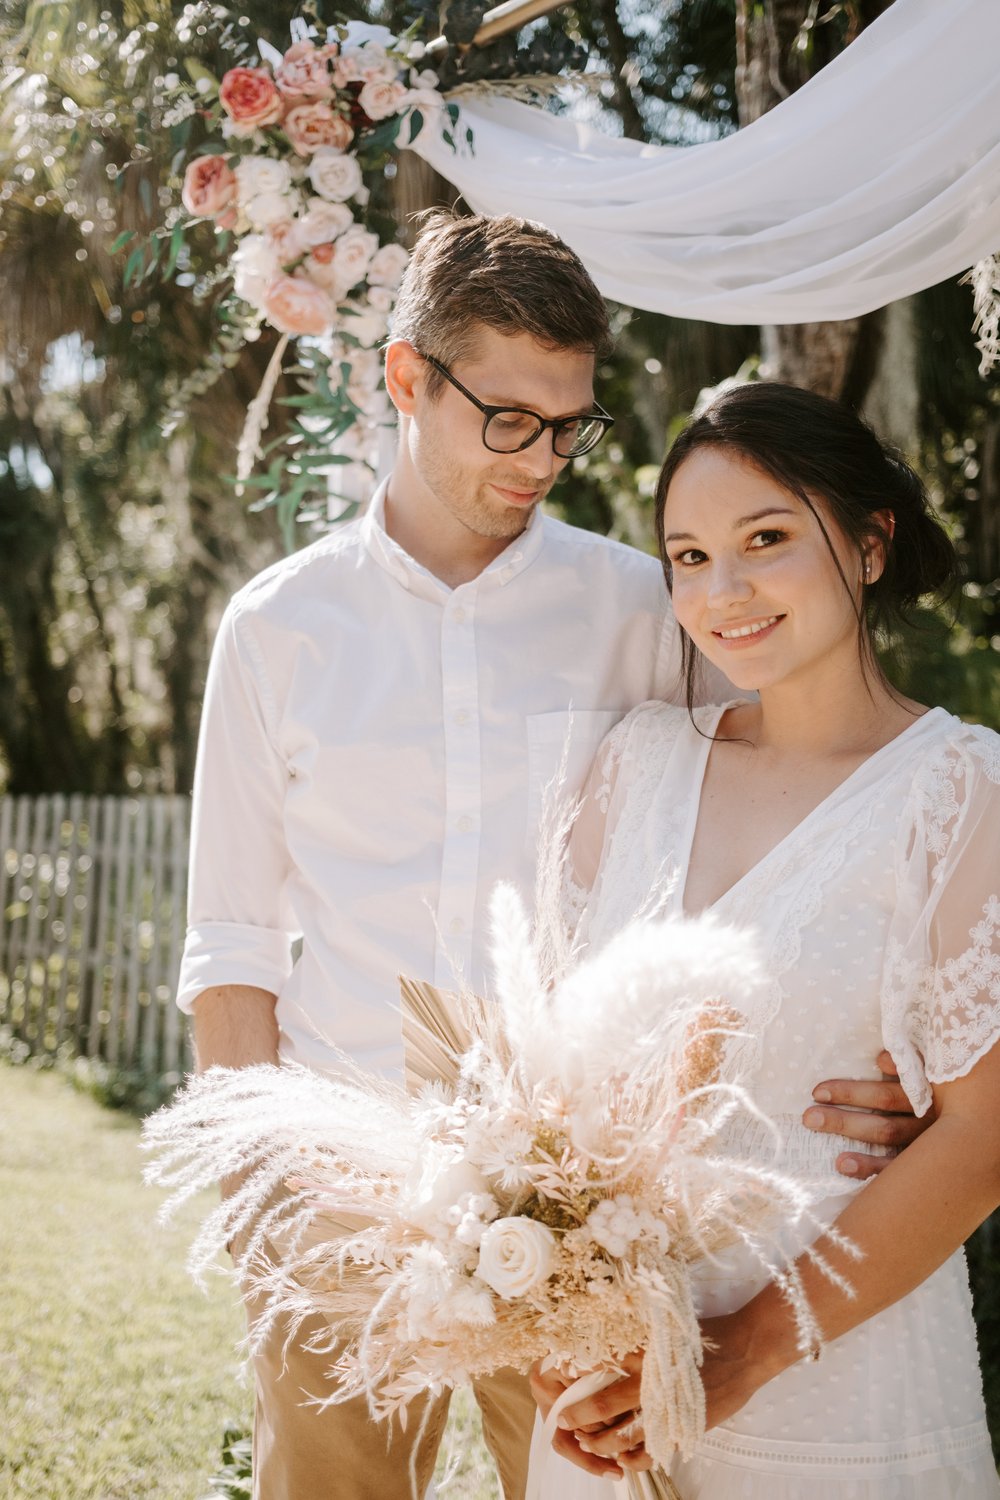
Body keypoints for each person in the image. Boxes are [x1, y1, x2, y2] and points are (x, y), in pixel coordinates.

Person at [177, 217, 926, 1500]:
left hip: (591, 1207)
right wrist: (265, 1206)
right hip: (340, 1185)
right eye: (508, 418)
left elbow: (787, 827)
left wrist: (891, 1050)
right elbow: (231, 943)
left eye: (568, 424)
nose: (543, 458)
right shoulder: (276, 630)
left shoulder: (651, 603)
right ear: (408, 379)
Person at [531, 381, 1000, 1498]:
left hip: (835, 1384)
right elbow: (544, 1077)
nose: (721, 590)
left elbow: (982, 1137)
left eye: (767, 539)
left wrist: (738, 1354)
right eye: (688, 556)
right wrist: (559, 1313)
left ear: (870, 544)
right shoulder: (633, 764)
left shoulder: (957, 788)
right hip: (607, 1393)